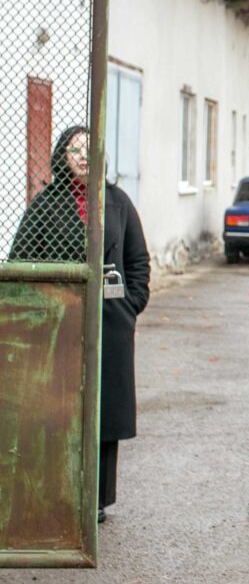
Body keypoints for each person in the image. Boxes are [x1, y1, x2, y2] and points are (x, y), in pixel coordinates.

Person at [10, 125, 151, 524]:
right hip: (61, 324)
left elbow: (138, 261)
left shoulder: (118, 201)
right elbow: (22, 258)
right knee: (63, 407)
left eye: (91, 149)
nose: (84, 157)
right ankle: (63, 489)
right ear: (62, 155)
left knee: (105, 407)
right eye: (75, 149)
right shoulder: (45, 204)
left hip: (111, 323)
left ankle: (98, 499)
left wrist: (131, 305)